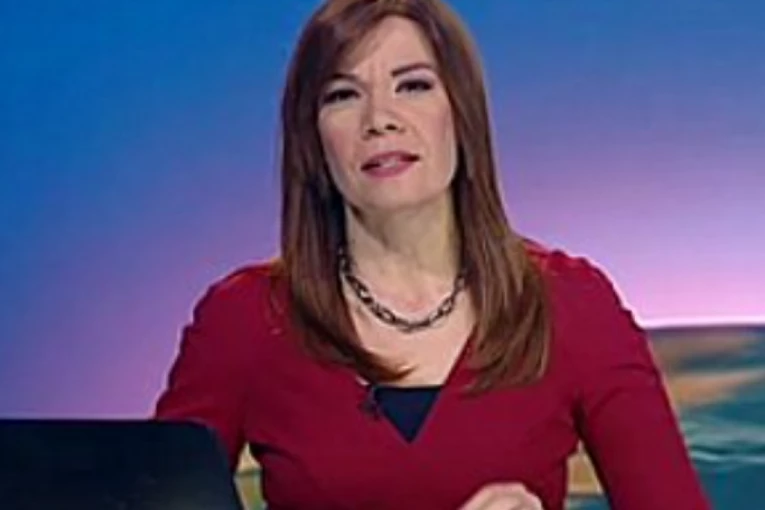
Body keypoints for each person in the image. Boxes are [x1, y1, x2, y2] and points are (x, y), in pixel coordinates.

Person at [153, 0, 711, 508]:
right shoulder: (246, 319)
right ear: (313, 138)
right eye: (343, 95)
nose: (380, 119)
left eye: (413, 86)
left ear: (461, 114)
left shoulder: (569, 304)